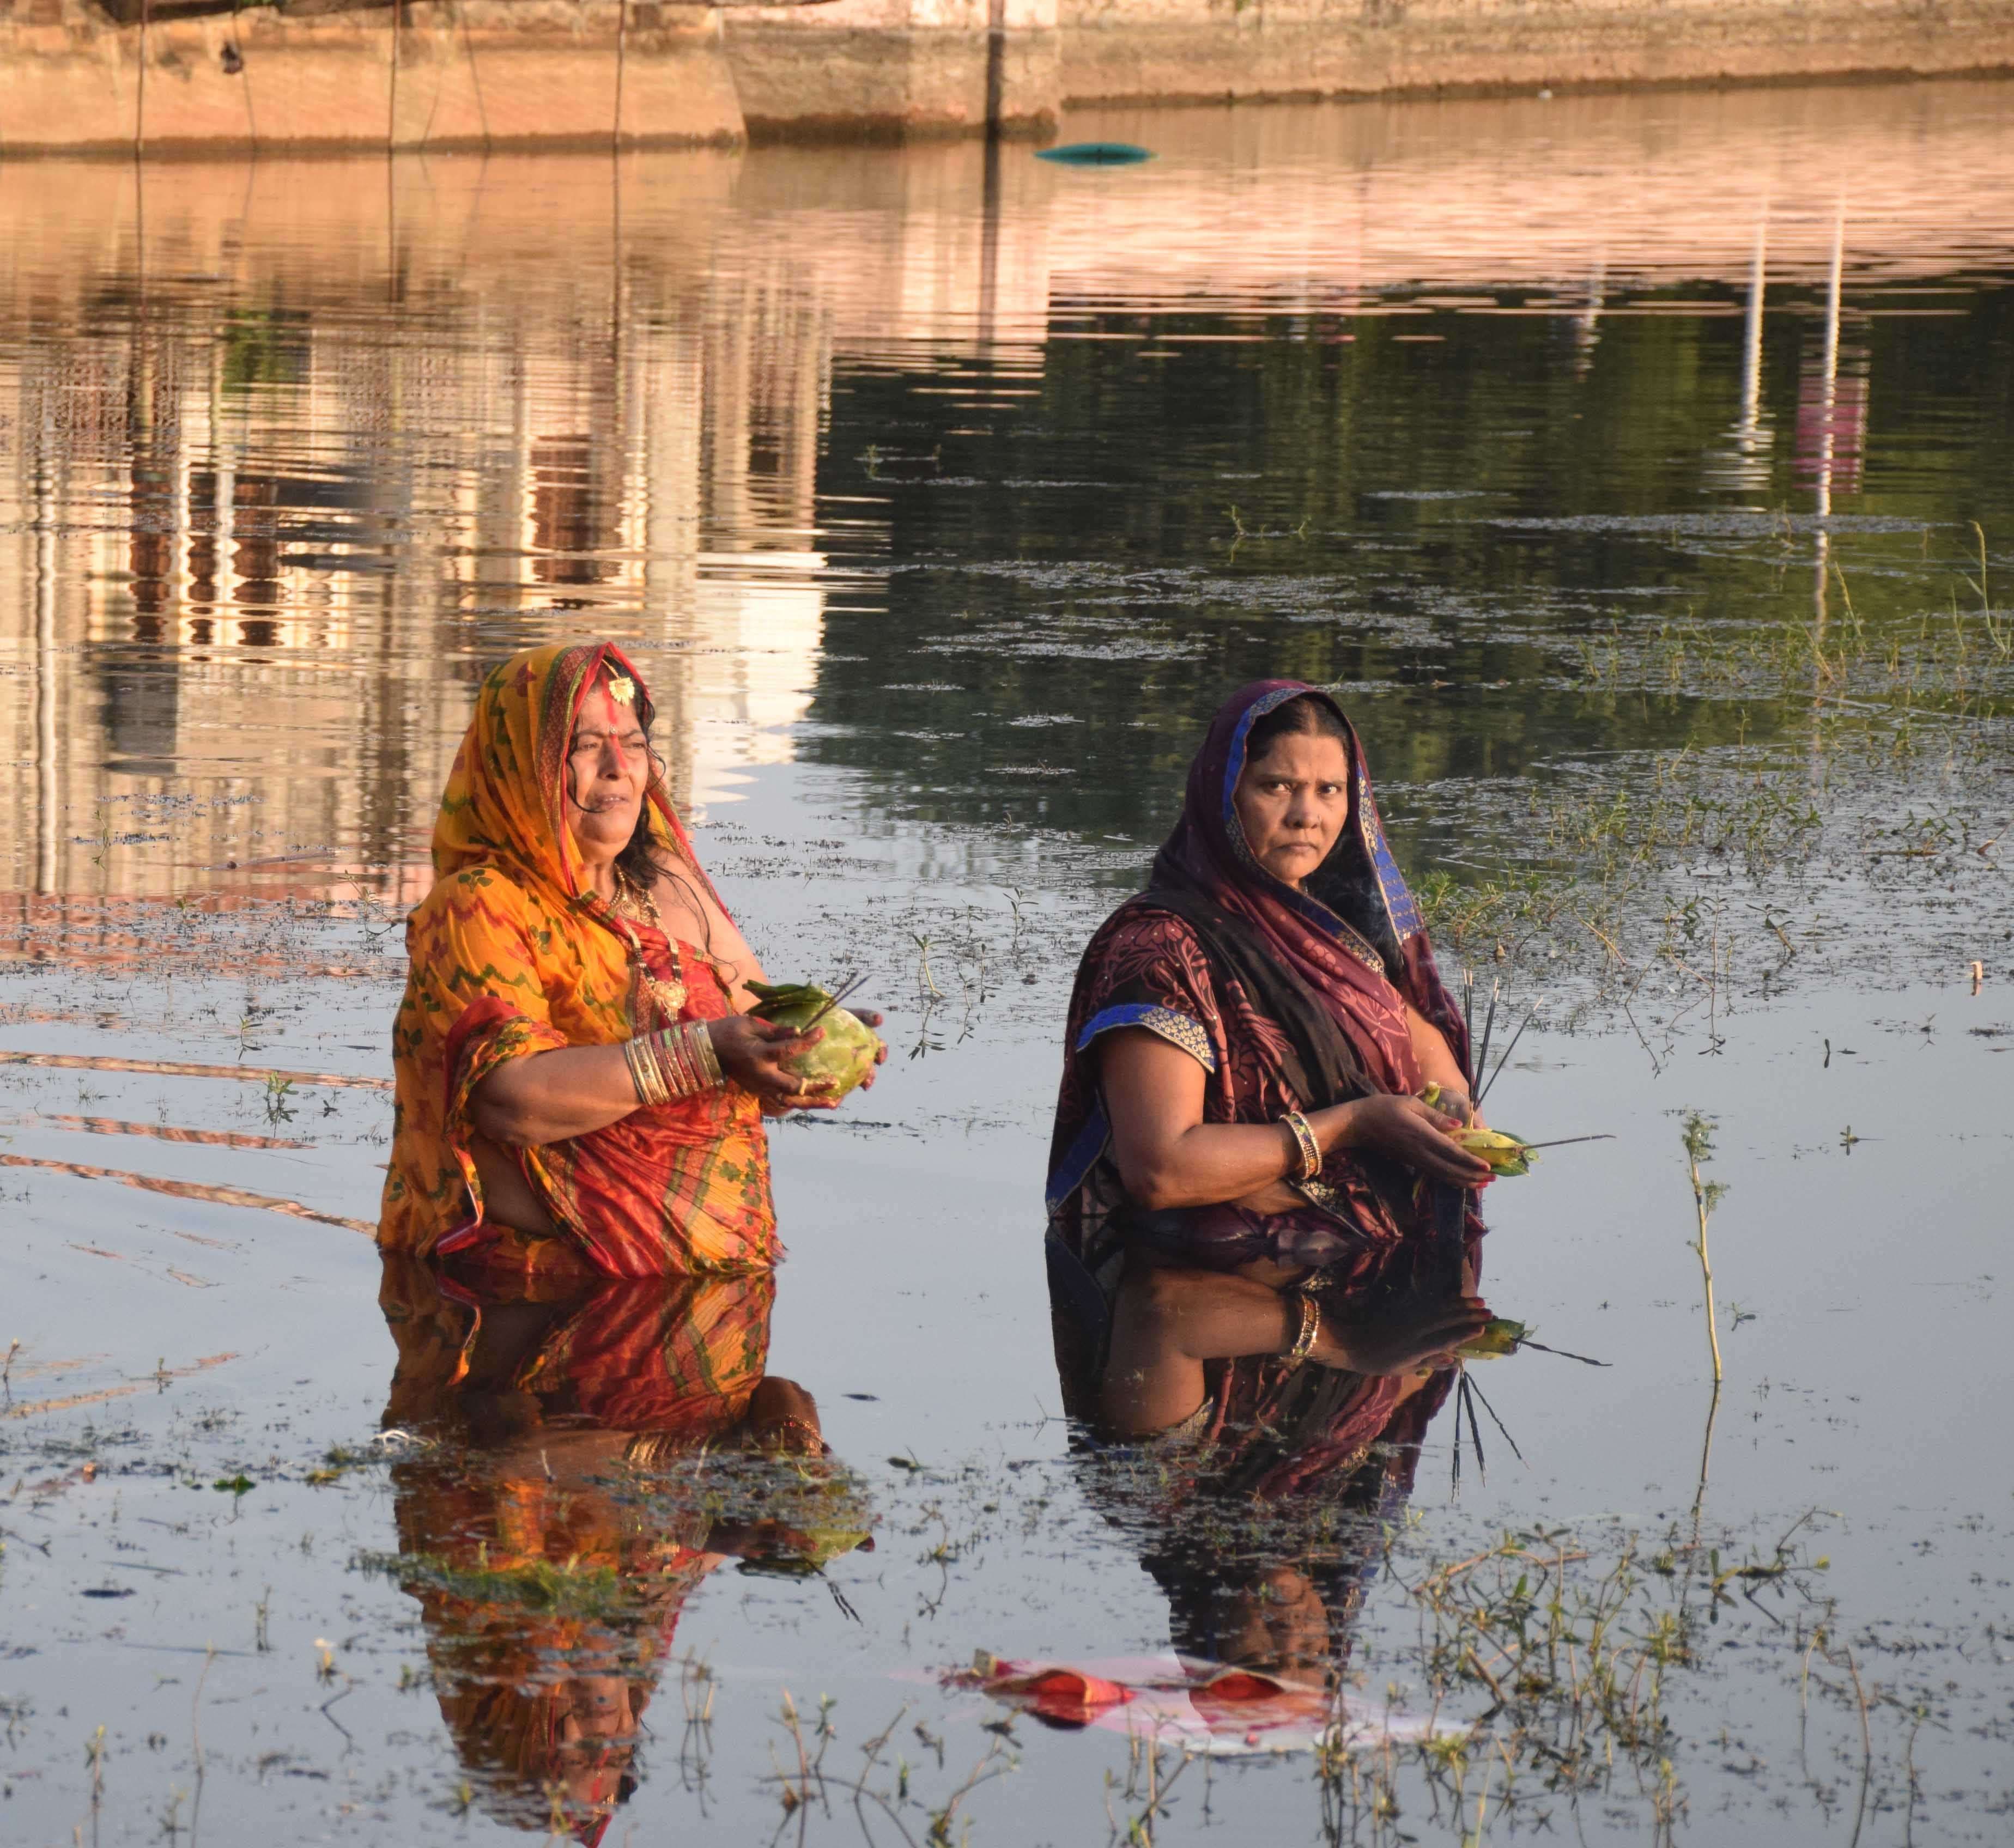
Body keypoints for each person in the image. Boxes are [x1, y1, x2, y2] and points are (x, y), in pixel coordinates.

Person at [1045, 679, 1494, 1434]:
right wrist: (1350, 1129)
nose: (1307, 815)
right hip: (1186, 1287)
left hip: (1362, 1280)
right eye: (1276, 785)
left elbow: (1432, 1068)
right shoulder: (1160, 948)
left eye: (1329, 790)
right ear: (1223, 792)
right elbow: (1161, 1170)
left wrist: (1452, 1120)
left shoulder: (1335, 943)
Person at [379, 641, 882, 1282]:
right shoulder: (481, 905)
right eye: (586, 745)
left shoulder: (672, 882)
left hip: (720, 1292)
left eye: (635, 743)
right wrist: (703, 1052)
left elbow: (750, 1040)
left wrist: (814, 1046)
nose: (619, 768)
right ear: (517, 765)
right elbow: (509, 1102)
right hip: (547, 1305)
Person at [375, 1256, 871, 1845]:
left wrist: (696, 1500)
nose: (608, 1725)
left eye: (576, 1741)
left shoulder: (481, 1582)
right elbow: (777, 1390)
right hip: (678, 1290)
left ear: (523, 1702)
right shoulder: (646, 1603)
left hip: (526, 1283)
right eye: (619, 1752)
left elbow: (511, 1460)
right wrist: (799, 1477)